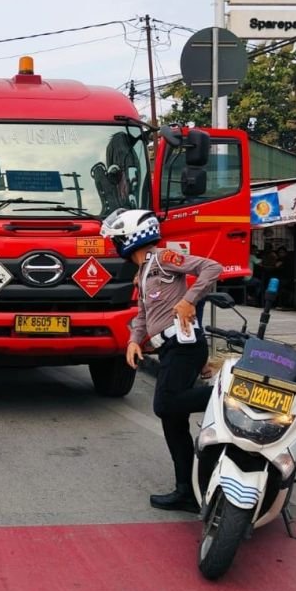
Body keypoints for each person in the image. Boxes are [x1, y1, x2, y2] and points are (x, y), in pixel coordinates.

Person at [101, 209, 222, 513]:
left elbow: (212, 268)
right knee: (172, 421)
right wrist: (132, 340)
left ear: (131, 238)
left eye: (118, 239)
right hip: (169, 349)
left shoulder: (165, 258)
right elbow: (143, 315)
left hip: (185, 346)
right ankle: (188, 491)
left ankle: (227, 398)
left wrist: (188, 300)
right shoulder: (141, 273)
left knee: (164, 404)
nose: (116, 245)